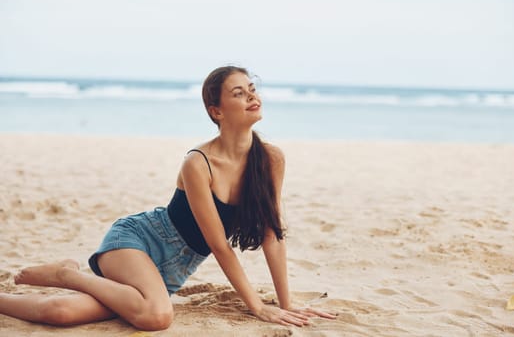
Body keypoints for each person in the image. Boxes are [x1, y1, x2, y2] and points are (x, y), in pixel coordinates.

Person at [0, 66, 336, 331]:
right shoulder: (198, 163)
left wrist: (286, 302)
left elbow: (271, 236)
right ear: (216, 111)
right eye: (239, 92)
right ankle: (66, 276)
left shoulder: (271, 159)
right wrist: (258, 307)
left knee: (61, 311)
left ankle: (45, 283)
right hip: (137, 243)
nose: (252, 96)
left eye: (252, 89)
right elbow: (218, 244)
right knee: (157, 317)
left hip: (171, 273)